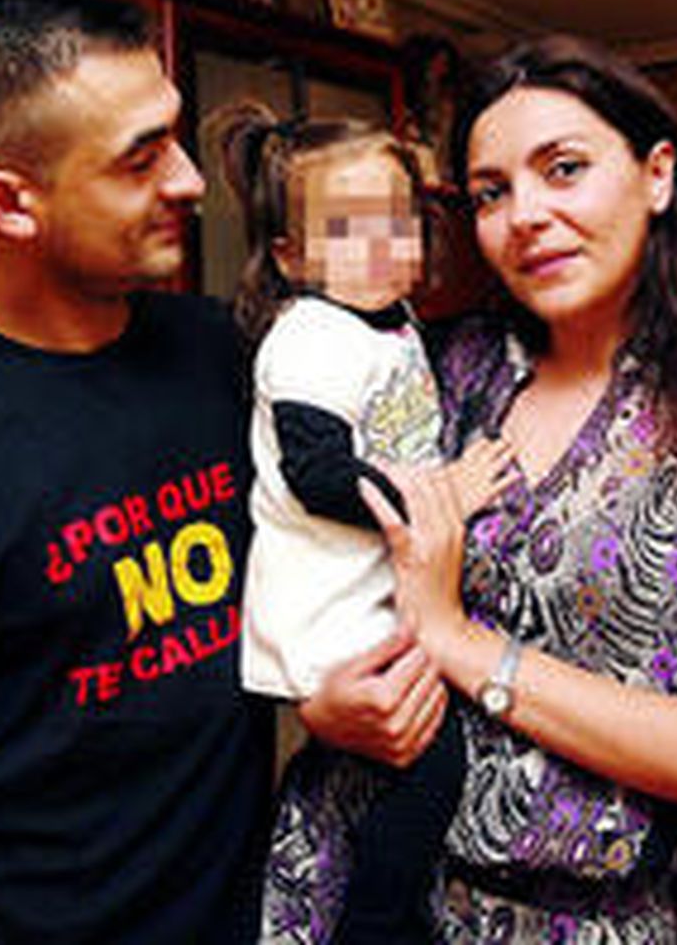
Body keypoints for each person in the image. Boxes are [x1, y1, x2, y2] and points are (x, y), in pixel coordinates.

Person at [0, 0, 438, 943]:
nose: (191, 180)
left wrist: (319, 697)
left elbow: (296, 574)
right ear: (9, 203)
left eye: (178, 140)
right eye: (140, 159)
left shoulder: (229, 356)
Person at [261, 35, 677, 942]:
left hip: (567, 921)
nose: (524, 214)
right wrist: (320, 705)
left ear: (656, 175)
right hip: (340, 873)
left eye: (563, 169)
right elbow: (310, 550)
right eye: (491, 191)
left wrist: (458, 643)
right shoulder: (440, 369)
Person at [217, 104, 508, 943]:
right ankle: (378, 922)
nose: (381, 247)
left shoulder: (392, 321)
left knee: (399, 773)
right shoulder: (307, 336)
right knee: (429, 764)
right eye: (349, 232)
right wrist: (446, 491)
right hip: (327, 608)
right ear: (292, 256)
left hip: (373, 592)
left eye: (397, 223)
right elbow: (319, 475)